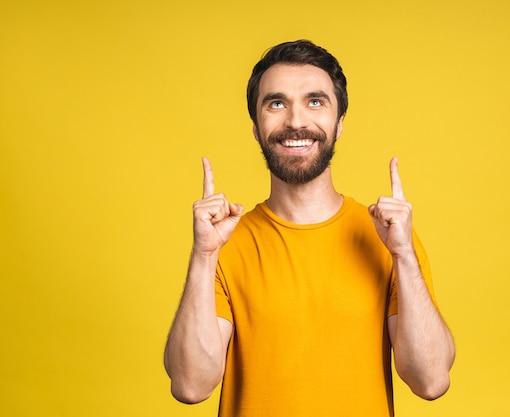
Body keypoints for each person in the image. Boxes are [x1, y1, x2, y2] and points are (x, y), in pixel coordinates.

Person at [164, 40, 455, 417]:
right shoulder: (225, 243)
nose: (297, 121)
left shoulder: (388, 238)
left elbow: (430, 380)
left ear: (339, 124)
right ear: (256, 126)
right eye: (277, 103)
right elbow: (190, 385)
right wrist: (204, 256)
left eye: (315, 101)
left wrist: (403, 255)